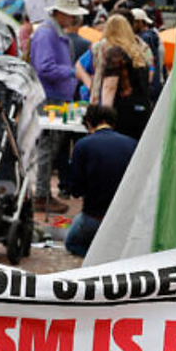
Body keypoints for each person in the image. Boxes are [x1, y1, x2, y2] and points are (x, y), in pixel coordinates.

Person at [30, 0, 87, 213]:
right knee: (47, 147)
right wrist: (72, 72)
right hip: (51, 98)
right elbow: (45, 68)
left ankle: (42, 193)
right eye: (71, 15)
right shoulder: (47, 34)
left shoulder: (52, 32)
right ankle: (41, 195)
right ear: (61, 13)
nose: (73, 19)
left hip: (56, 97)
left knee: (51, 148)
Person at [64, 104, 136, 257]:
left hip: (94, 217)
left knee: (72, 243)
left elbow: (76, 190)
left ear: (89, 123)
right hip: (123, 219)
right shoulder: (132, 143)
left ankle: (96, 258)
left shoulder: (83, 145)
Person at [99, 44, 152, 141]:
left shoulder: (115, 54)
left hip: (122, 114)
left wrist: (104, 120)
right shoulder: (139, 52)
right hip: (142, 111)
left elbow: (109, 88)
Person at [132, 7, 163, 102]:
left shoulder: (145, 38)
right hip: (154, 82)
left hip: (149, 83)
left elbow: (150, 63)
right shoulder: (152, 35)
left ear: (140, 22)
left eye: (133, 22)